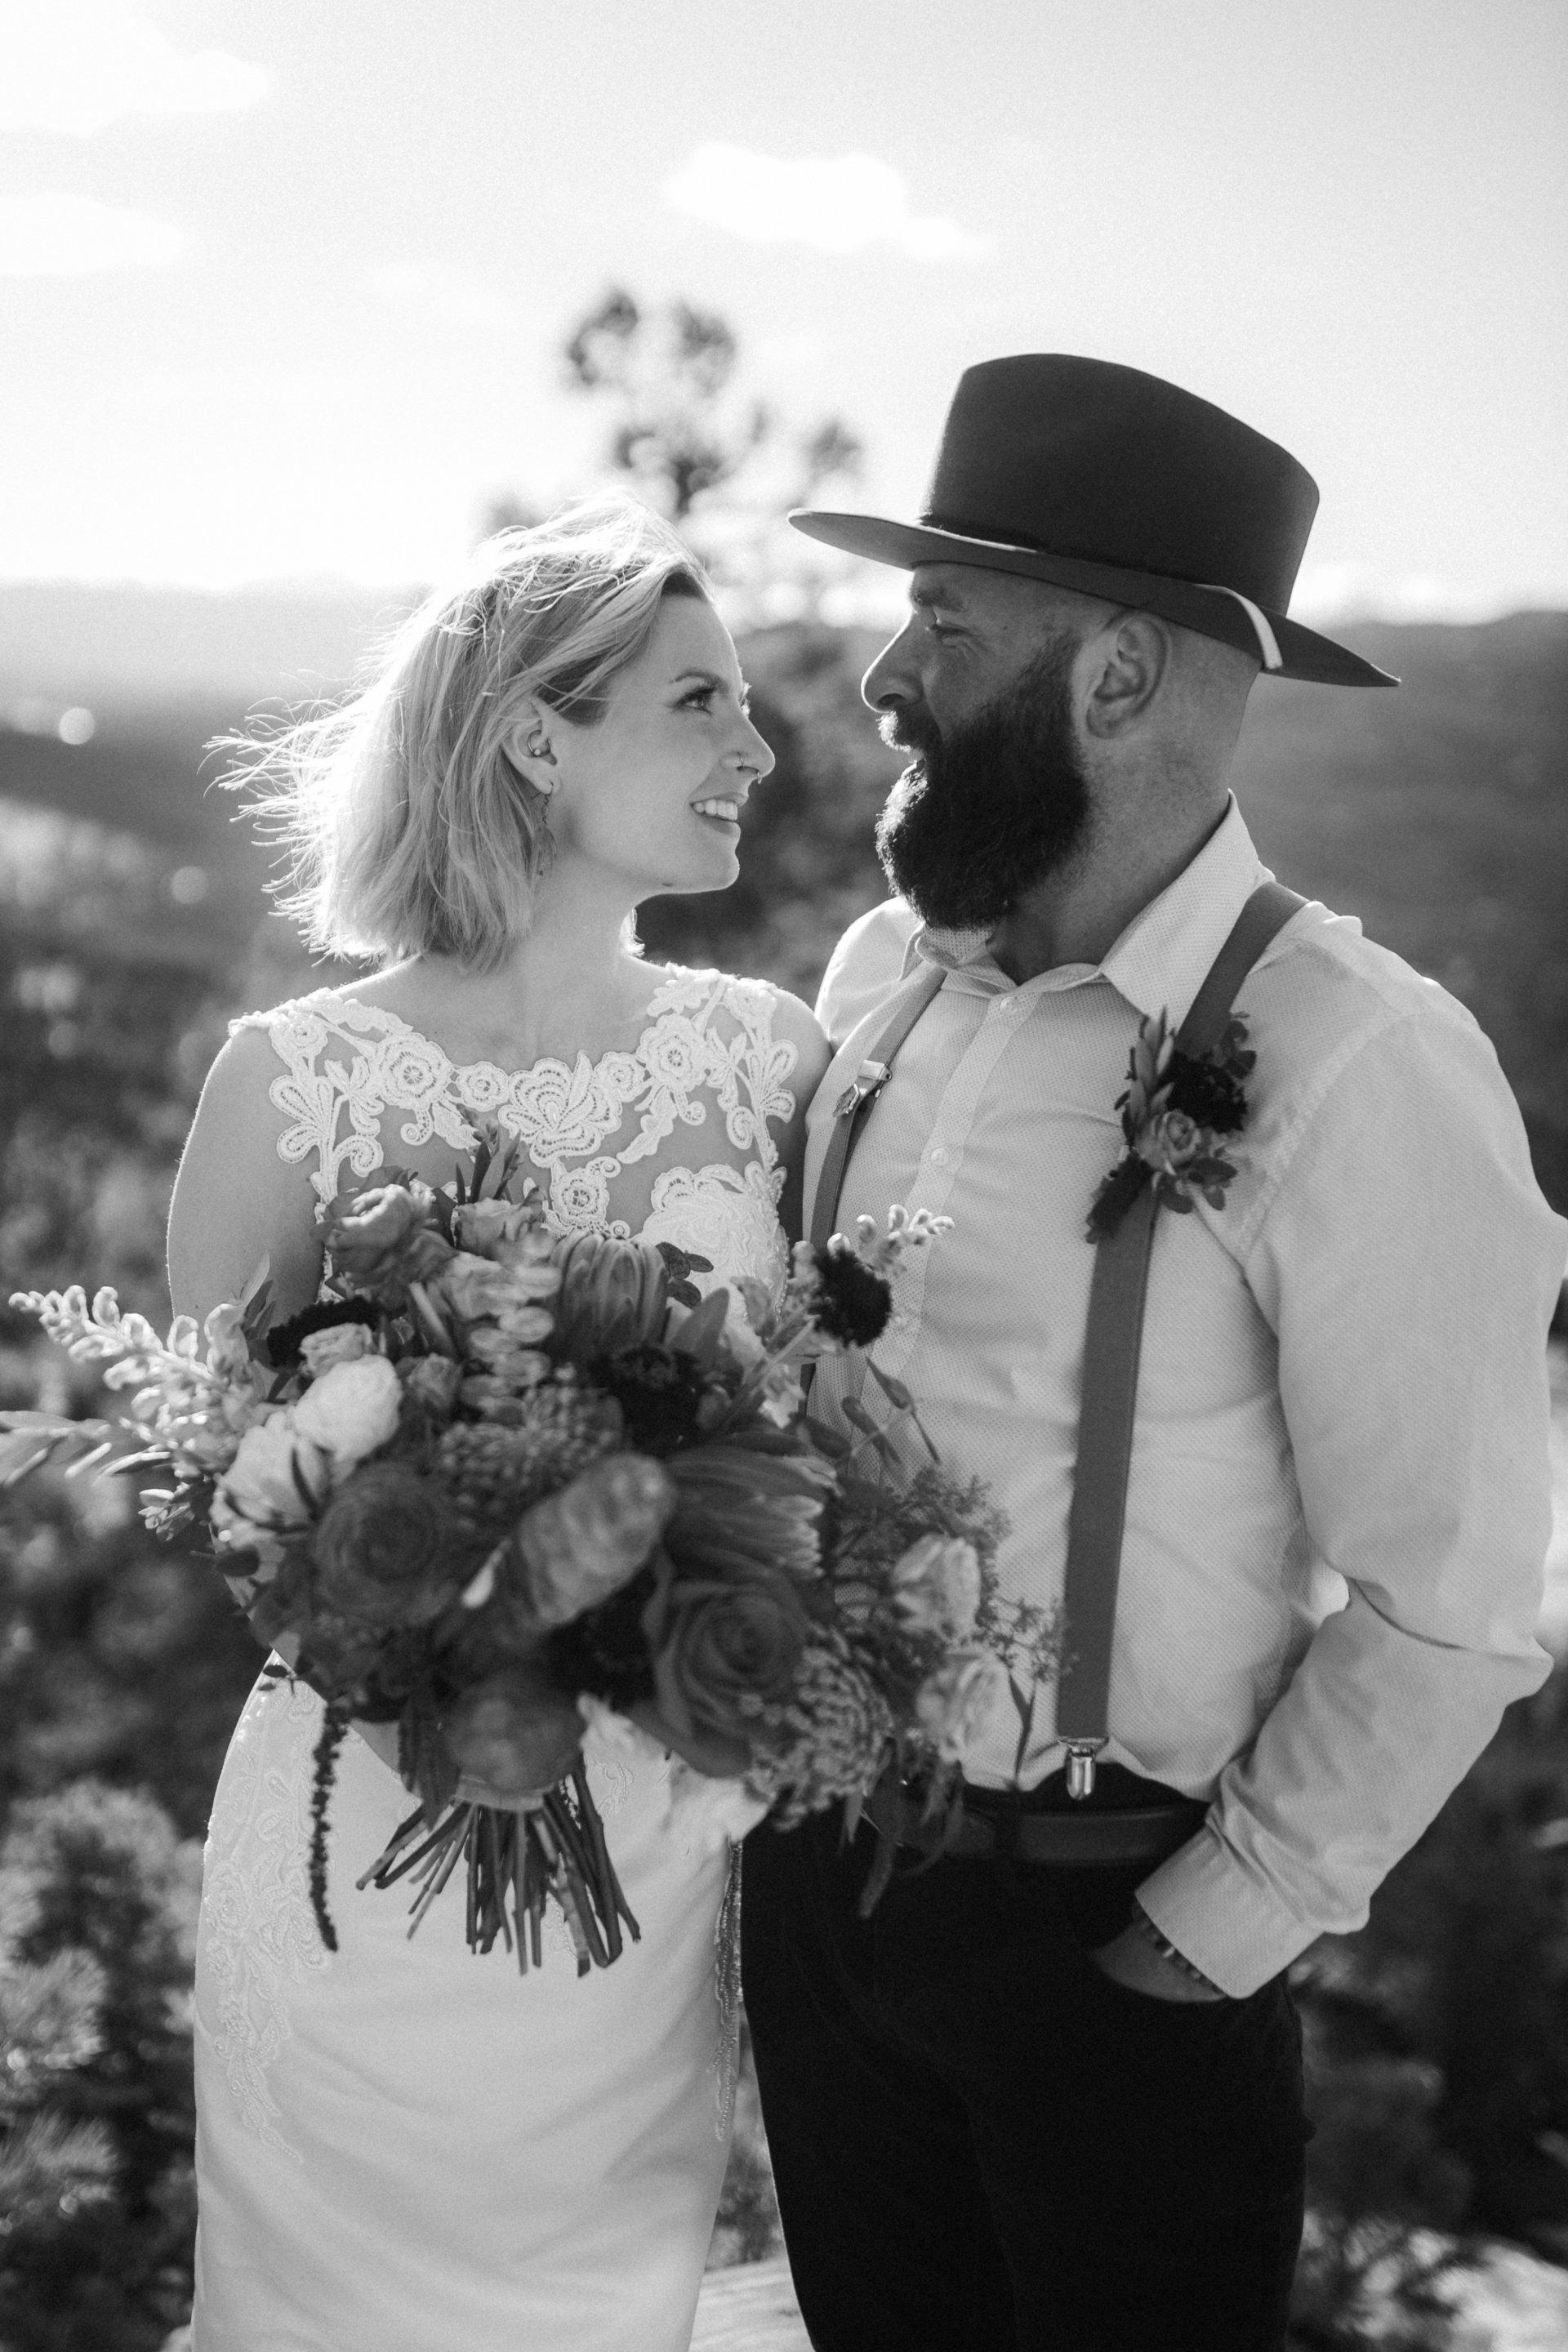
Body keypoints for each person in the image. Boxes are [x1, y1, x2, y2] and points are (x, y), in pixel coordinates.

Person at [741, 355, 1568, 2352]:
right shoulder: (880, 987)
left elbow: (1454, 1597)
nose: (885, 675)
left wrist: (1213, 1937)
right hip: (821, 1899)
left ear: (1114, 679)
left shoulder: (1367, 1059)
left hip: (1114, 1940)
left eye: (944, 619)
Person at [167, 496, 830, 2352]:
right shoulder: (288, 1086)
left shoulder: (769, 1061)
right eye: (699, 701)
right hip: (349, 1845)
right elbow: (221, 1497)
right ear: (540, 735)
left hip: (653, 1853)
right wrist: (436, 1583)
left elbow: (829, 1439)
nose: (756, 747)